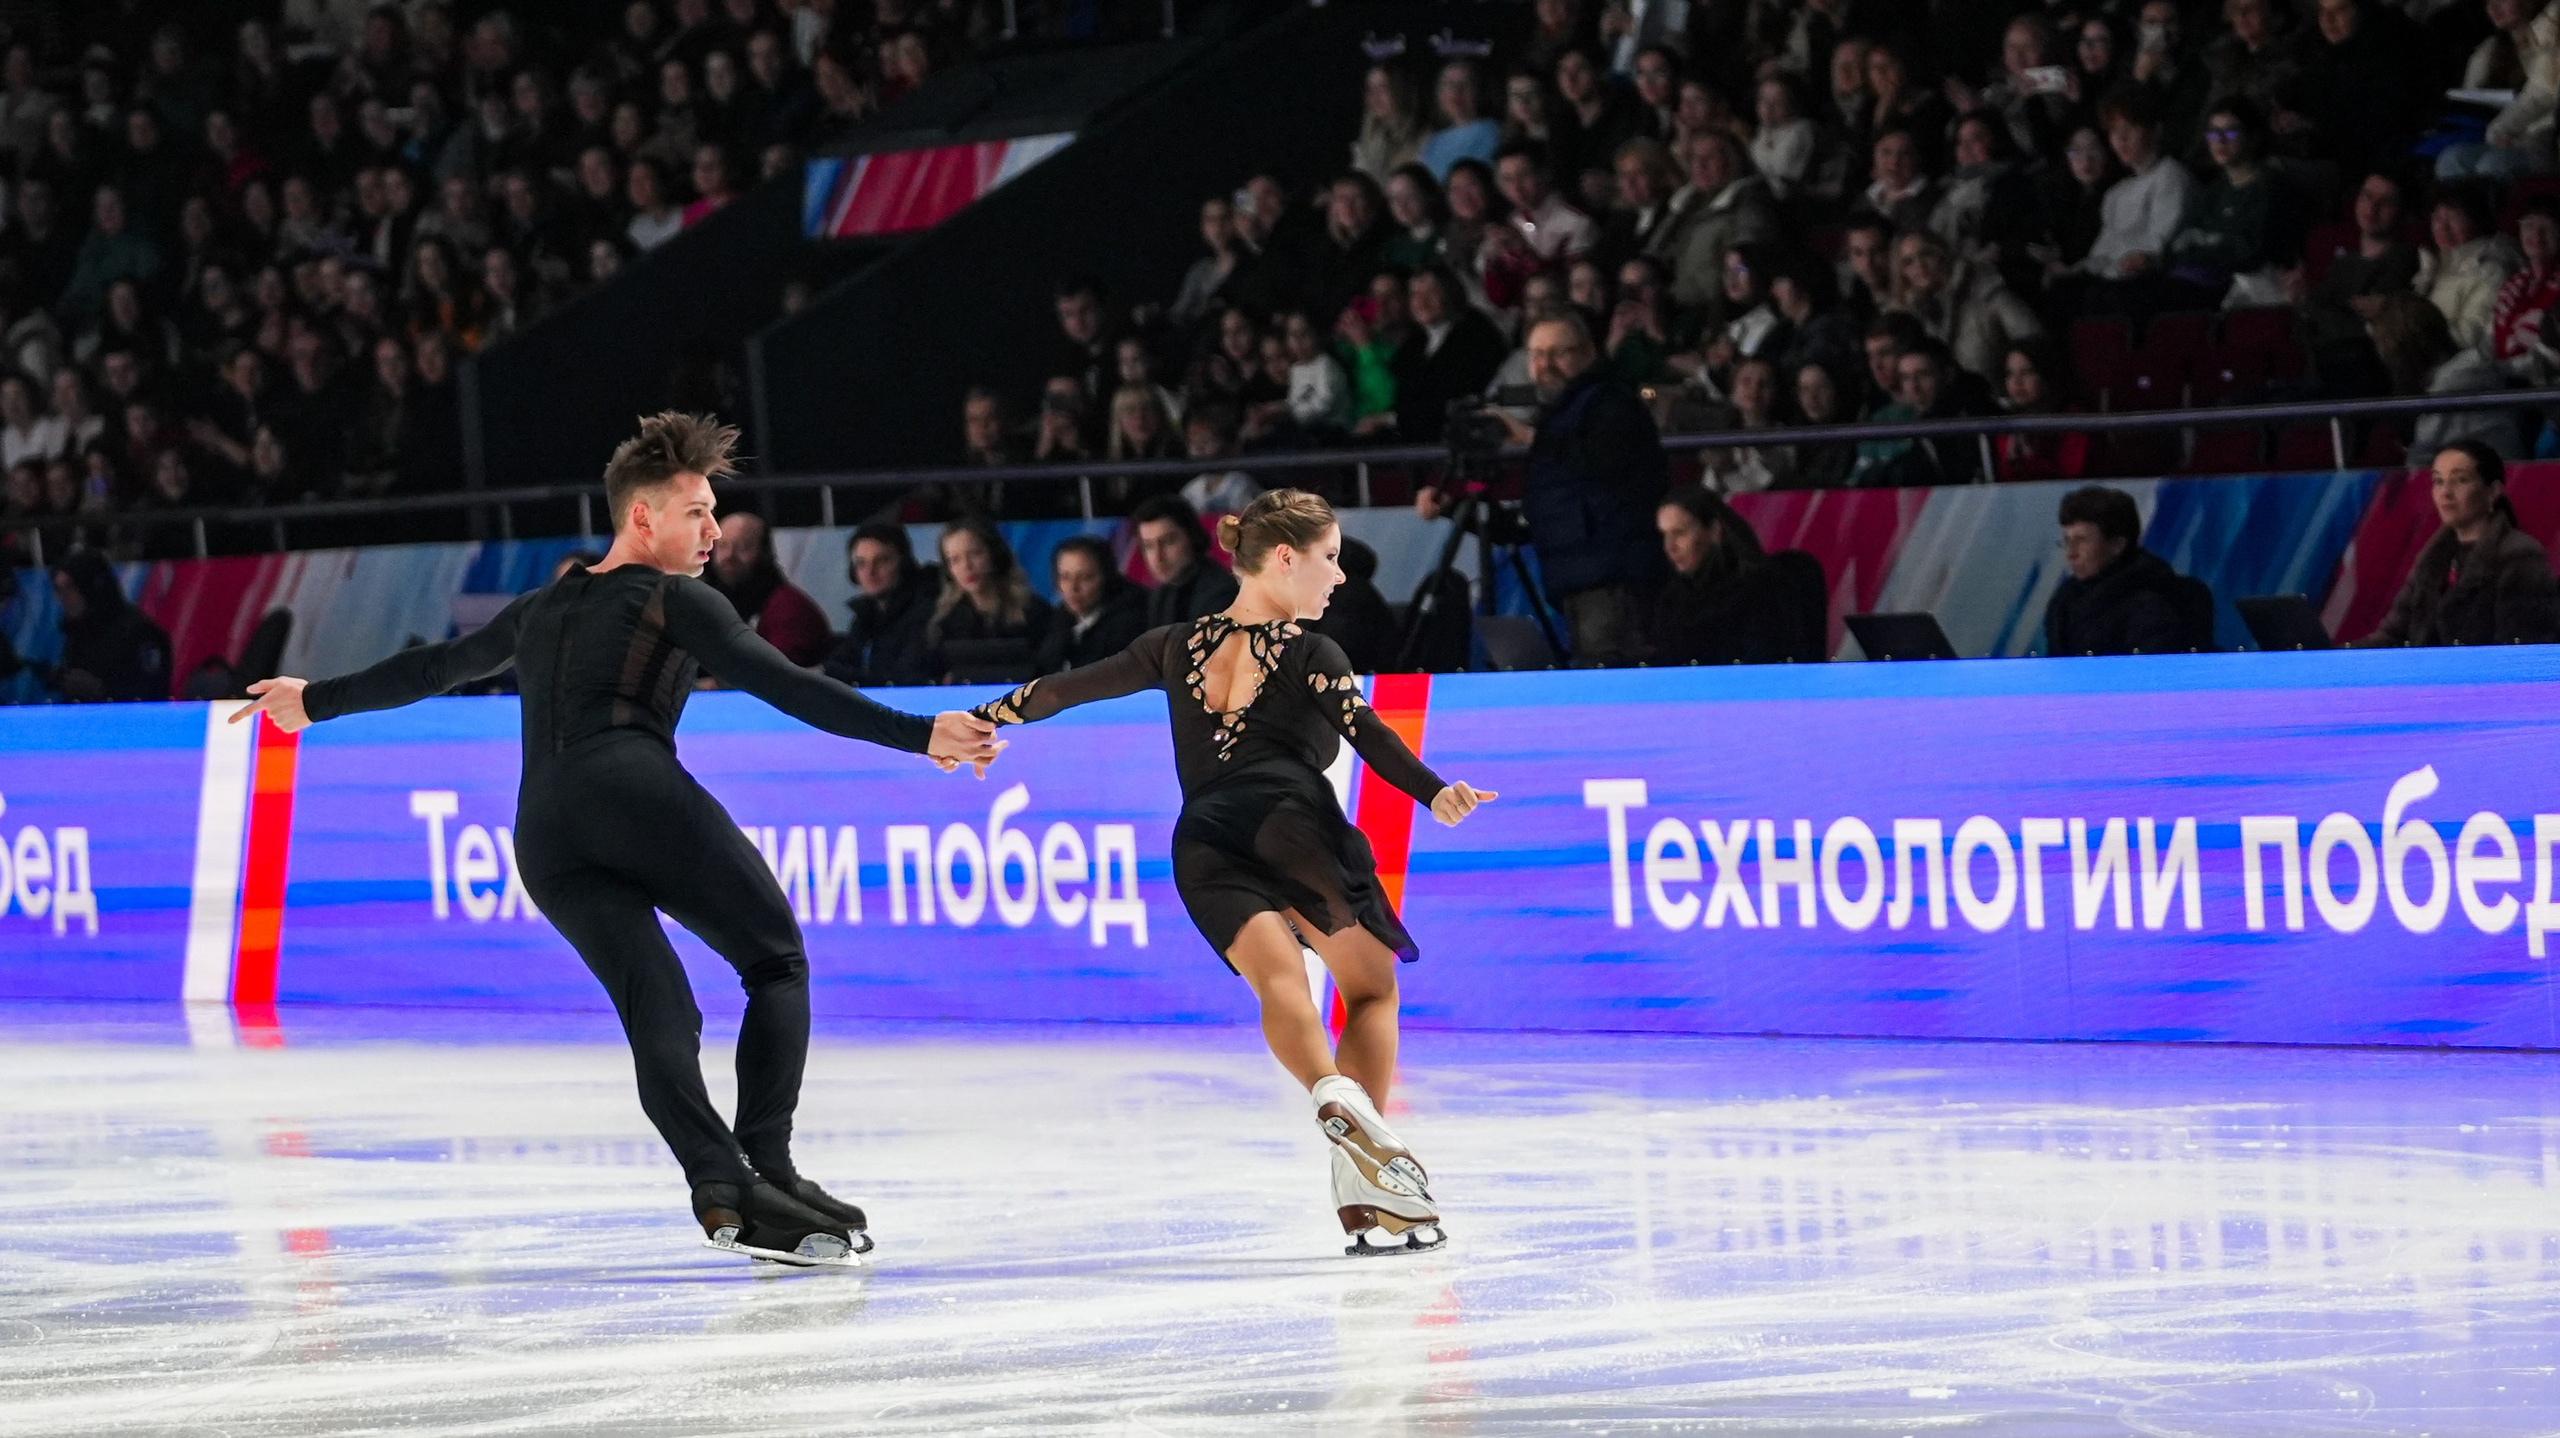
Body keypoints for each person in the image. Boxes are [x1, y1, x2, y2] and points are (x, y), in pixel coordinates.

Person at [232, 413, 1003, 1266]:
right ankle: (768, 1164)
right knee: (776, 961)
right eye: (697, 512)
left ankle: (721, 1187)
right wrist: (919, 731)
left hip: (545, 833)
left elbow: (431, 670)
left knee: (659, 1008)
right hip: (633, 791)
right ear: (643, 518)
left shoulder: (536, 609)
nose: (712, 530)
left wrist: (313, 701)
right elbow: (786, 684)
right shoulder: (678, 598)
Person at [968, 489, 1496, 1256]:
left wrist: (981, 722)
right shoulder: (1313, 652)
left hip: (1202, 837)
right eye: (1330, 559)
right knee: (1371, 988)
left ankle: (1332, 1100)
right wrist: (1435, 792)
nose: (1339, 577)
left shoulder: (1172, 643)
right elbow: (1369, 733)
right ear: (1285, 559)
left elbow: (1064, 688)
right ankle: (1365, 1174)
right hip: (1292, 823)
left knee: (1281, 985)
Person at [1414, 313, 1668, 664]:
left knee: (1612, 683)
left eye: (1557, 353)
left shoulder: (1612, 402)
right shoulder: (1559, 418)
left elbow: (1601, 462)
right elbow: (1532, 525)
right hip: (1578, 581)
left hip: (1614, 580)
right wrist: (1455, 505)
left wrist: (1531, 438)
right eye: (1535, 355)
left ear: (1588, 352)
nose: (1544, 365)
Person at [2357, 440, 2560, 647]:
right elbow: (2393, 635)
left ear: (2493, 491)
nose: (2445, 492)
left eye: (2460, 480)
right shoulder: (2432, 558)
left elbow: (2521, 650)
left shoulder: (2520, 555)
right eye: (2438, 481)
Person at [2043, 484, 2210, 656]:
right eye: (2067, 541)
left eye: (2082, 541)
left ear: (2117, 545)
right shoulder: (2064, 601)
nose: (2071, 553)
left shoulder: (2153, 604)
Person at [1649, 485, 1803, 663]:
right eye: (1664, 535)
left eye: (1680, 533)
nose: (1669, 547)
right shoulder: (1673, 598)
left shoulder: (1761, 590)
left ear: (1714, 531)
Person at [924, 516, 1051, 683]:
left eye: (975, 554)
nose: (967, 566)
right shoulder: (943, 622)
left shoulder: (1034, 612)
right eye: (955, 560)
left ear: (994, 554)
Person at [822, 522, 935, 687]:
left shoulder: (925, 611)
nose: (870, 572)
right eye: (861, 563)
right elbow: (837, 663)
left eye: (881, 561)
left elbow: (904, 677)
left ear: (904, 563)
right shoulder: (867, 615)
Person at [49, 549, 170, 701]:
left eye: (71, 587)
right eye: (58, 589)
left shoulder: (139, 633)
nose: (64, 597)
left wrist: (102, 690)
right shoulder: (77, 634)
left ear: (91, 586)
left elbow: (151, 690)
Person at [1035, 533, 1149, 674]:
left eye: (1085, 578)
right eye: (1065, 577)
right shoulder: (1059, 620)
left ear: (1106, 577)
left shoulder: (1132, 619)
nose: (1073, 588)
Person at [1134, 493, 1240, 626]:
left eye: (1168, 542)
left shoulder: (1221, 593)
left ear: (1192, 536)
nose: (1158, 556)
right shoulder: (1160, 595)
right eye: (1148, 546)